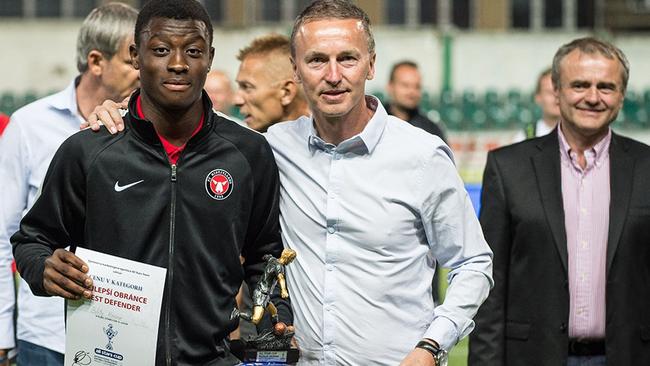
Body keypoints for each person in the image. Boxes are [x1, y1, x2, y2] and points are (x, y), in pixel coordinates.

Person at [86, 1, 493, 365]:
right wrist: (123, 112)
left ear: (370, 64)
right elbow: (186, 125)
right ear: (295, 70)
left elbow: (473, 263)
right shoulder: (271, 147)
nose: (333, 75)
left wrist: (431, 347)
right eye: (316, 60)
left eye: (347, 59)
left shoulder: (422, 155)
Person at [11, 1, 288, 365]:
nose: (177, 63)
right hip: (107, 356)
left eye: (193, 51)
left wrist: (278, 319)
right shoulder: (89, 151)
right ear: (135, 55)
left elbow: (264, 253)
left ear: (209, 58)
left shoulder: (248, 153)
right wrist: (44, 268)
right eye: (160, 50)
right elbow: (33, 239)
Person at [468, 37, 650, 366]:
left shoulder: (646, 167)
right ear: (556, 90)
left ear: (622, 96)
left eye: (606, 87)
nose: (593, 97)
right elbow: (491, 284)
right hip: (533, 357)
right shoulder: (508, 168)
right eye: (579, 85)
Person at [0, 4, 139, 365]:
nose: (144, 71)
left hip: (128, 337)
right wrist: (1, 330)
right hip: (45, 337)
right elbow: (3, 233)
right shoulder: (29, 125)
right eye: (132, 60)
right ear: (96, 61)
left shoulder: (146, 133)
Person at [233, 33, 310, 132]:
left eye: (247, 87)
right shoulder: (242, 144)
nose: (236, 100)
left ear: (286, 92)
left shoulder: (330, 143)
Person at [385, 60, 446, 141]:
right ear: (390, 87)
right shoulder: (375, 122)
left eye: (417, 86)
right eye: (405, 85)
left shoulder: (431, 130)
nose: (412, 91)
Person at [513, 67, 561, 142]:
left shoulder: (582, 134)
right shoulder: (524, 137)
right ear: (538, 97)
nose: (556, 96)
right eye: (549, 92)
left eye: (559, 90)